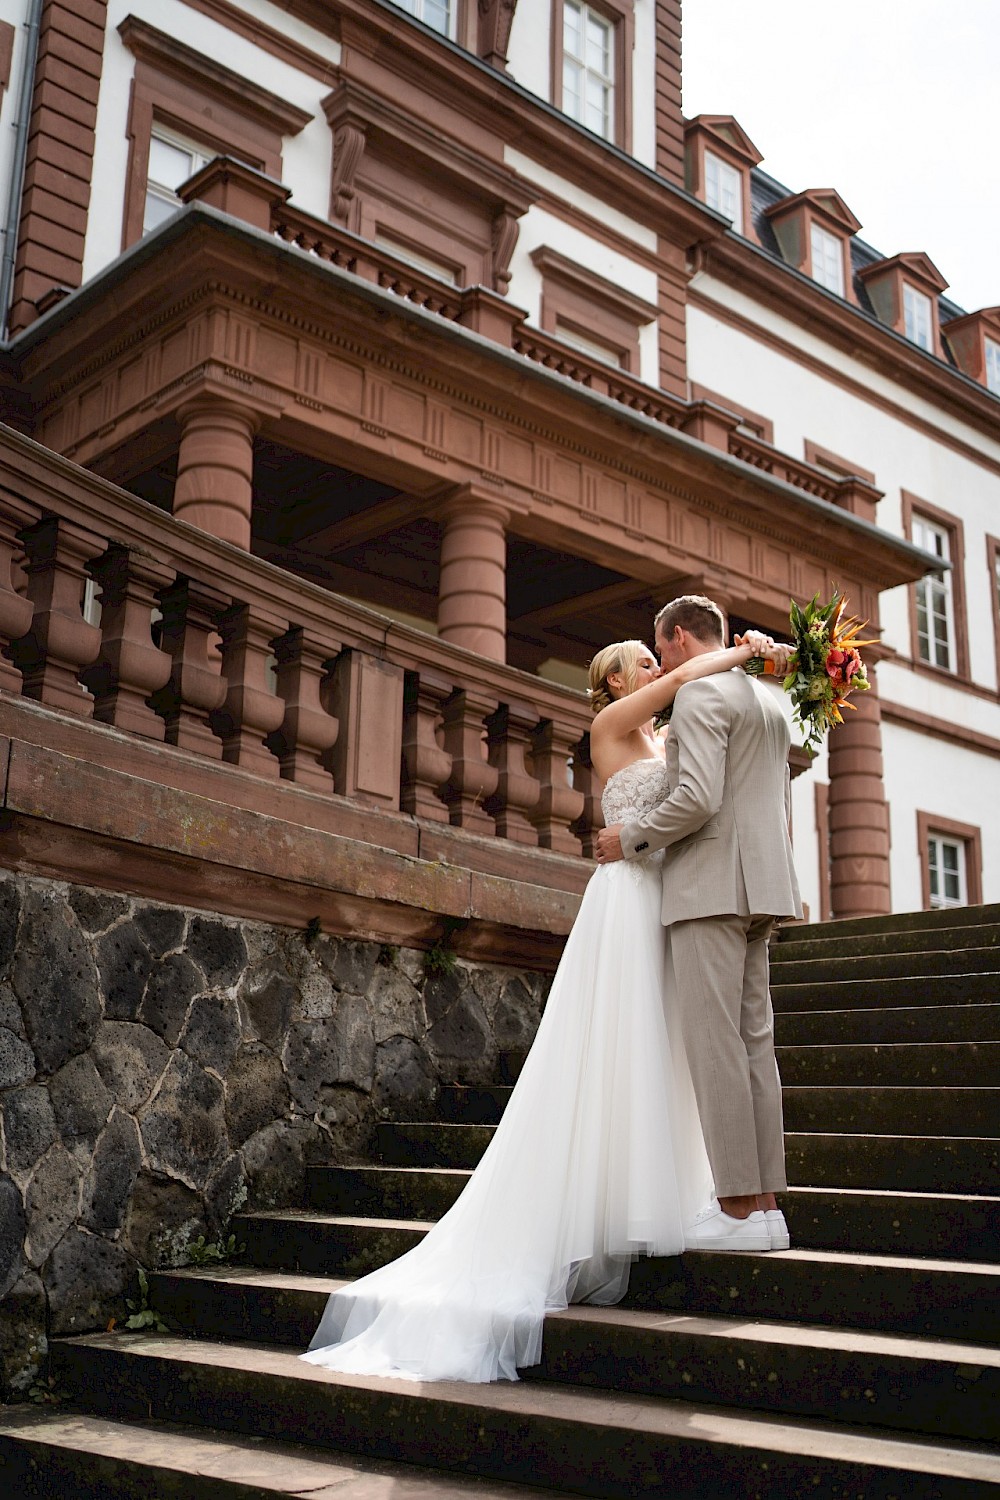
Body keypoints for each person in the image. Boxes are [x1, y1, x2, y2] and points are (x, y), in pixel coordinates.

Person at [302, 627, 787, 1385]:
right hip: (628, 902)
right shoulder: (611, 725)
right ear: (615, 683)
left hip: (675, 898)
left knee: (671, 1050)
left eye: (660, 660)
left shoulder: (669, 730)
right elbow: (688, 694)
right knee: (620, 1046)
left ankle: (672, 1196)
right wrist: (739, 653)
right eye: (646, 665)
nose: (660, 672)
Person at [596, 595, 802, 1254]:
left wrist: (629, 839)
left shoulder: (701, 696)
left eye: (661, 649)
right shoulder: (768, 700)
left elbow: (697, 797)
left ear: (678, 638)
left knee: (717, 1048)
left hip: (712, 888)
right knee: (754, 1047)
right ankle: (767, 1207)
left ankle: (739, 1209)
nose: (661, 664)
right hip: (765, 884)